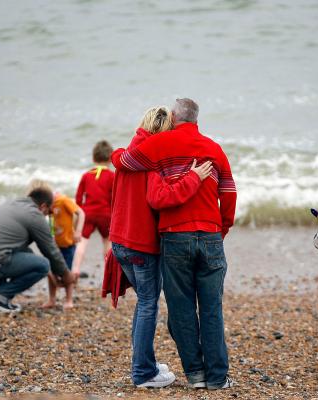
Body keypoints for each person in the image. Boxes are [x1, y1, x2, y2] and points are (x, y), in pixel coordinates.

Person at [112, 98, 237, 390]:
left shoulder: (160, 145)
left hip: (174, 237)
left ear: (173, 117)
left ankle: (195, 375)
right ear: (196, 119)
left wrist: (116, 151)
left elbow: (125, 161)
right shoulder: (214, 148)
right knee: (211, 309)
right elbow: (229, 192)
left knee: (180, 309)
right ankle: (218, 378)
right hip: (209, 236)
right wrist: (223, 228)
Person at [0, 180, 75, 312]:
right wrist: (66, 274)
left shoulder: (10, 204)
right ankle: (0, 296)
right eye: (49, 212)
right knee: (43, 265)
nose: (47, 216)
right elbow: (50, 250)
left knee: (7, 253)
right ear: (43, 206)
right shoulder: (34, 214)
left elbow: (20, 250)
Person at [73, 140, 115, 277]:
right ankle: (108, 274)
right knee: (107, 243)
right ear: (110, 158)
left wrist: (79, 214)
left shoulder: (86, 176)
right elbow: (115, 198)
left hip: (88, 214)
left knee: (82, 243)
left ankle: (76, 269)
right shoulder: (112, 176)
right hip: (106, 214)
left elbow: (78, 198)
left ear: (93, 158)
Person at [41, 188, 86, 310]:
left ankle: (69, 299)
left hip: (68, 245)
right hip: (55, 245)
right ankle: (52, 299)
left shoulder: (64, 201)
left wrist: (78, 232)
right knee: (53, 271)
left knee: (68, 271)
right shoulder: (50, 206)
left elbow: (81, 213)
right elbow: (51, 222)